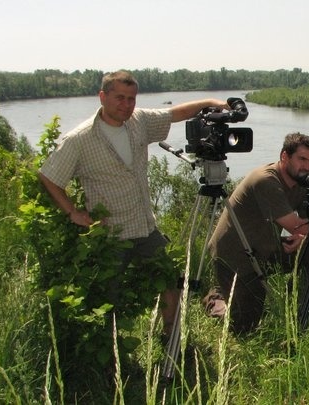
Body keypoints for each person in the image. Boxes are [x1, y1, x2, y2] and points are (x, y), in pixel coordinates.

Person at [37, 70, 231, 337]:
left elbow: (174, 114)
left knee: (169, 275)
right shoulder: (80, 139)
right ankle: (110, 353)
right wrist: (72, 211)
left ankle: (170, 333)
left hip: (145, 226)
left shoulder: (138, 121)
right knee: (109, 296)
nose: (126, 105)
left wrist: (211, 101)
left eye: (131, 99)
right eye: (120, 98)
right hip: (110, 233)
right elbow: (48, 175)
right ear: (102, 96)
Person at [205, 132, 309, 334]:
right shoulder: (266, 180)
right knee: (245, 327)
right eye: (302, 159)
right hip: (234, 255)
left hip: (264, 248)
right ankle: (215, 299)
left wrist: (307, 236)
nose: (307, 167)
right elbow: (297, 226)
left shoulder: (299, 182)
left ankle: (297, 310)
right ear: (285, 157)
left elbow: (307, 220)